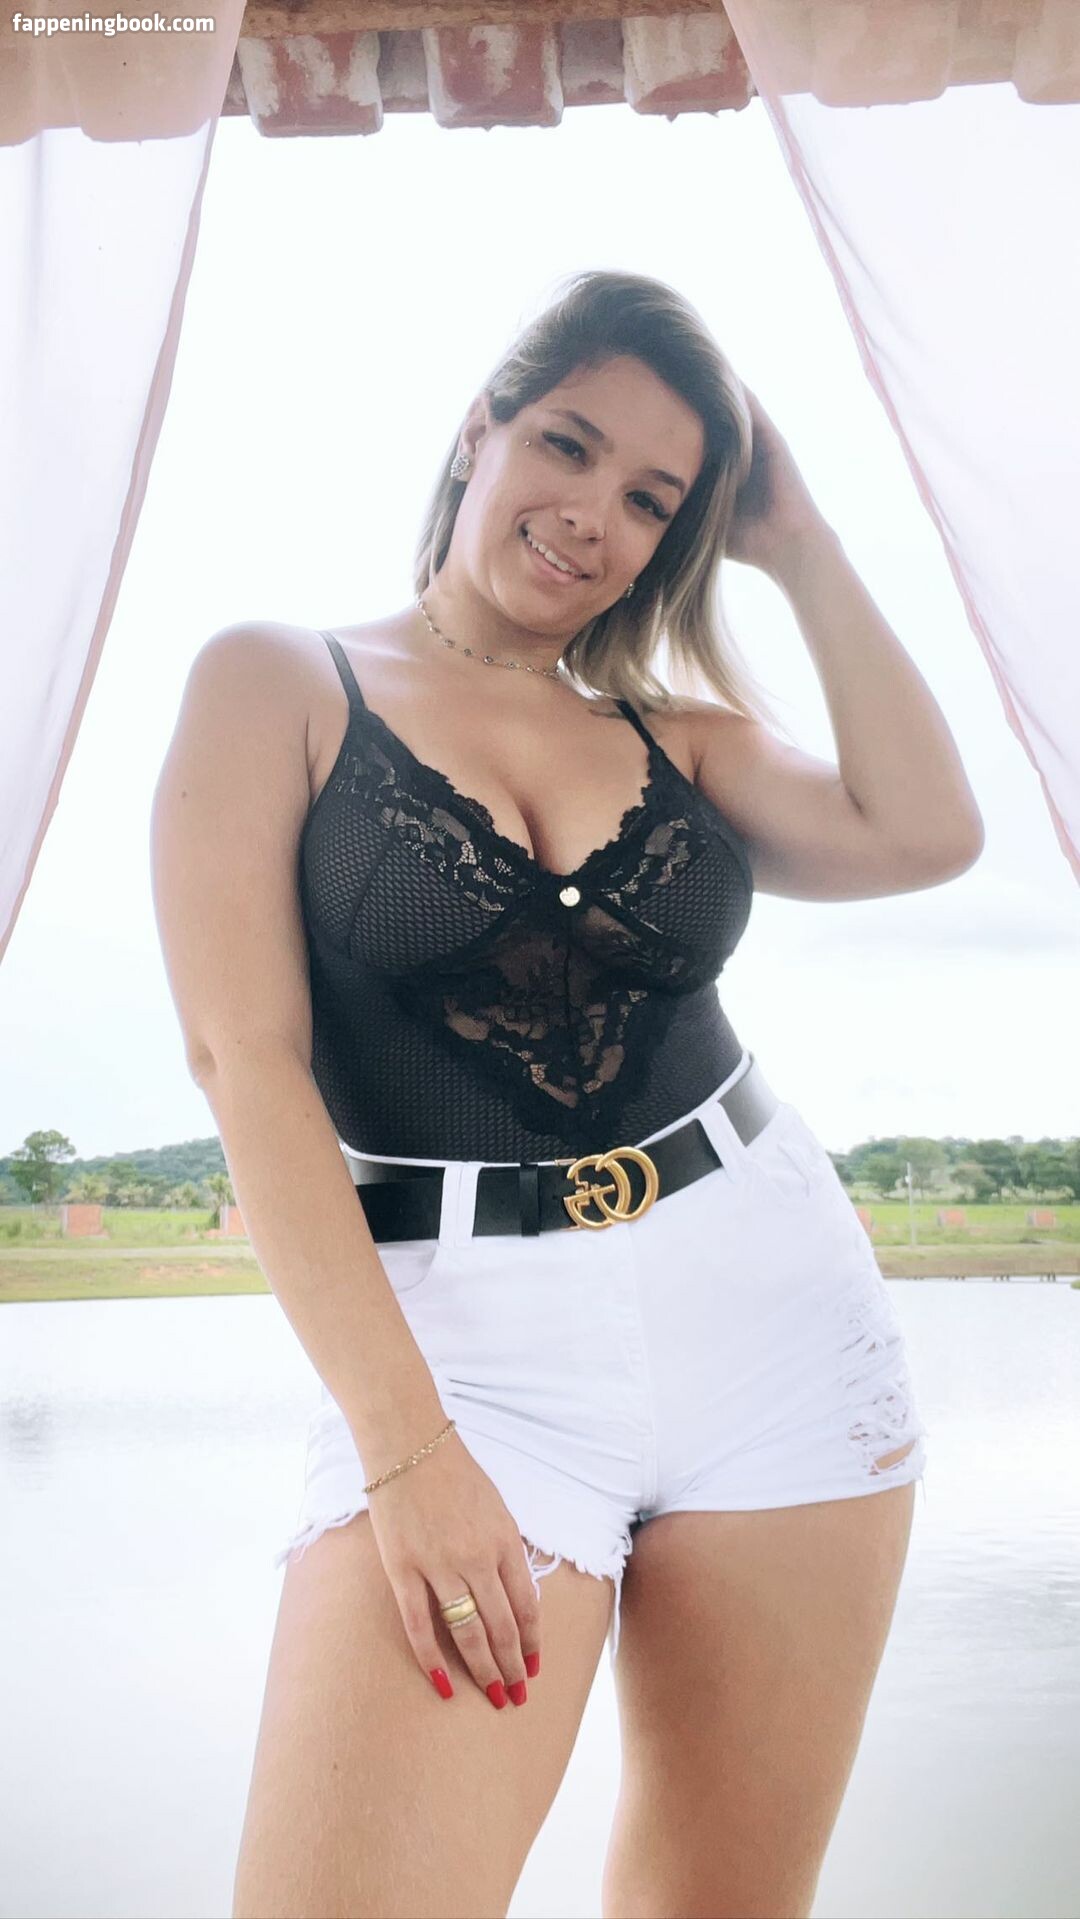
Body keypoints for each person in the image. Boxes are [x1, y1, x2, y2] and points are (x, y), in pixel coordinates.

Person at [150, 269, 983, 1919]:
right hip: (465, 1356)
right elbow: (244, 1063)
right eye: (570, 445)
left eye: (654, 499)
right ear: (483, 431)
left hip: (774, 1316)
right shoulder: (278, 683)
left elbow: (925, 831)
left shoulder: (677, 736)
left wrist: (800, 543)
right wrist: (408, 1454)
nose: (595, 515)